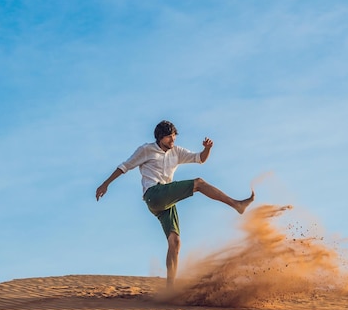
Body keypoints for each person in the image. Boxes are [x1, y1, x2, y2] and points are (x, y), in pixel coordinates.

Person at [95, 120, 254, 288]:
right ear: (159, 137)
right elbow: (124, 167)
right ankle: (236, 204)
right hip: (154, 194)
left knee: (175, 241)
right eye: (169, 138)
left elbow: (200, 159)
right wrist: (106, 184)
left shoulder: (176, 152)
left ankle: (170, 289)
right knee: (198, 183)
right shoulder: (146, 150)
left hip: (165, 203)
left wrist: (207, 149)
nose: (173, 141)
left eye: (174, 137)